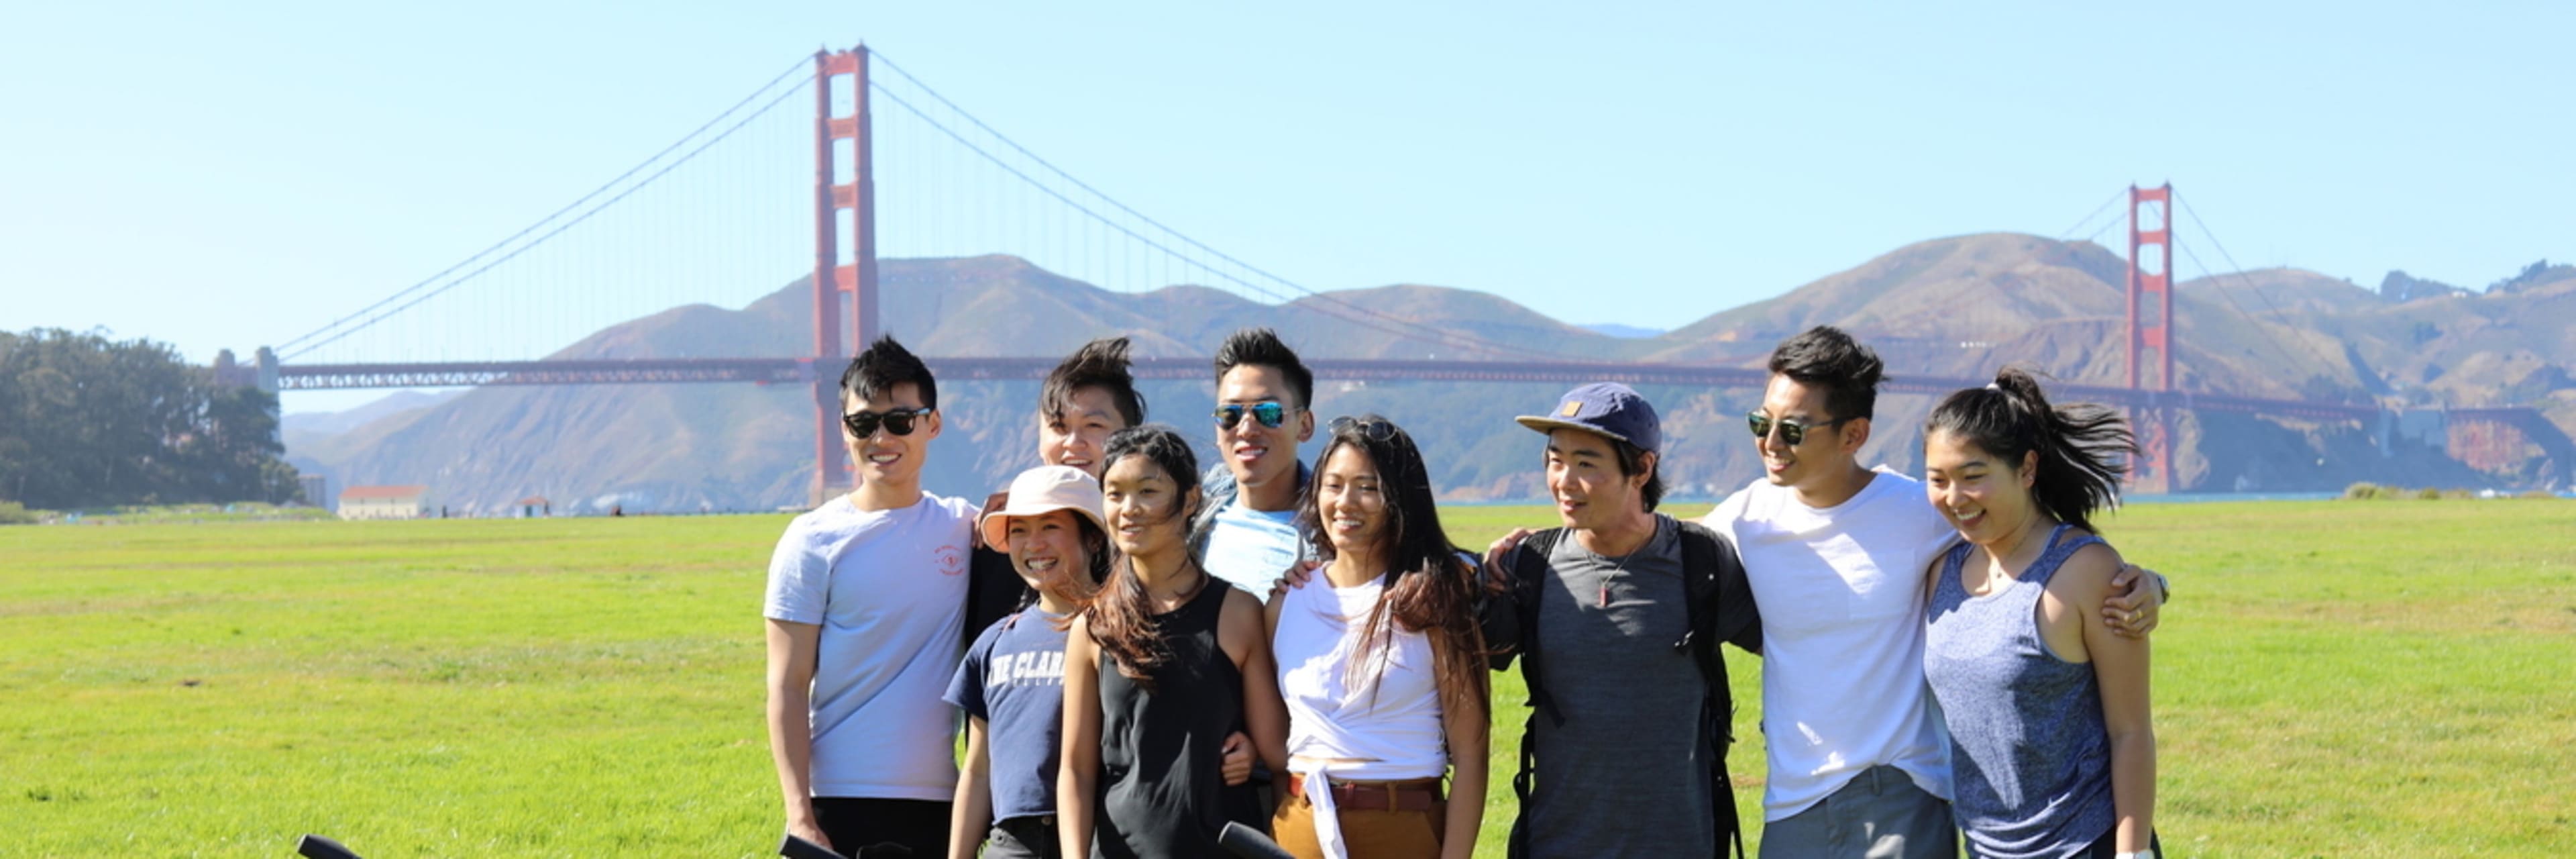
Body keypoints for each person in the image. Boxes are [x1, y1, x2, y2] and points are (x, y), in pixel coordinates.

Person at [1698, 326, 2165, 858]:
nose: (1771, 443)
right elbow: (1662, 555)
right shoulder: (1746, 517)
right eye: (1762, 423)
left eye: (1794, 430)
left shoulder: (1922, 511)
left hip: (1917, 801)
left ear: (1854, 435)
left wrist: (2148, 584)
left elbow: (2045, 550)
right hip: (1806, 807)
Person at [1482, 383, 1763, 859]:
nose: (1564, 481)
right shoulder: (1526, 566)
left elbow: (1797, 648)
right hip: (1555, 845)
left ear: (1642, 468)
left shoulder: (1704, 562)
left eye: (1586, 463)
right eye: (1555, 460)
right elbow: (1446, 664)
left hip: (1680, 845)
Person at [1920, 369, 2159, 859]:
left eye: (1973, 476)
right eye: (1938, 480)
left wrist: (2132, 854)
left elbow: (2131, 731)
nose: (1954, 498)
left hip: (2087, 844)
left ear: (2027, 469)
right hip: (1986, 849)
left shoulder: (2085, 571)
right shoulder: (1941, 569)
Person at [764, 335, 977, 857]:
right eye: (864, 423)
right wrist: (800, 817)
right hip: (838, 800)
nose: (882, 436)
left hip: (939, 801)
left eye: (901, 420)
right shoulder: (811, 539)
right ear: (845, 431)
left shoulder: (968, 526)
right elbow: (787, 686)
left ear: (933, 424)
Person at [1061, 425, 1291, 859]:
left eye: (1148, 491)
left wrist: (1252, 745)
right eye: (1114, 493)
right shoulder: (1092, 625)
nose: (1129, 509)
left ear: (1190, 500)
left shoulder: (1237, 611)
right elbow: (1075, 769)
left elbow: (1275, 749)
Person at [1265, 415, 1489, 859]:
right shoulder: (1285, 602)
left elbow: (1472, 753)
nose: (1346, 502)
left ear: (1400, 499)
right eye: (1334, 485)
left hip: (1403, 828)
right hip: (1300, 829)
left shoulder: (1433, 601)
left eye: (1368, 487)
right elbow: (1277, 741)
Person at [946, 466, 1117, 859]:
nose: (1034, 545)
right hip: (1011, 843)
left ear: (1093, 539)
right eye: (1019, 530)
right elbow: (978, 769)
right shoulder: (995, 643)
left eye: (1051, 527)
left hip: (1099, 836)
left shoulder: (1121, 632)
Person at [1191, 327, 1319, 597]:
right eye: (1230, 414)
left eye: (1268, 412)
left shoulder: (1337, 538)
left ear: (1305, 426)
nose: (1246, 429)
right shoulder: (1185, 517)